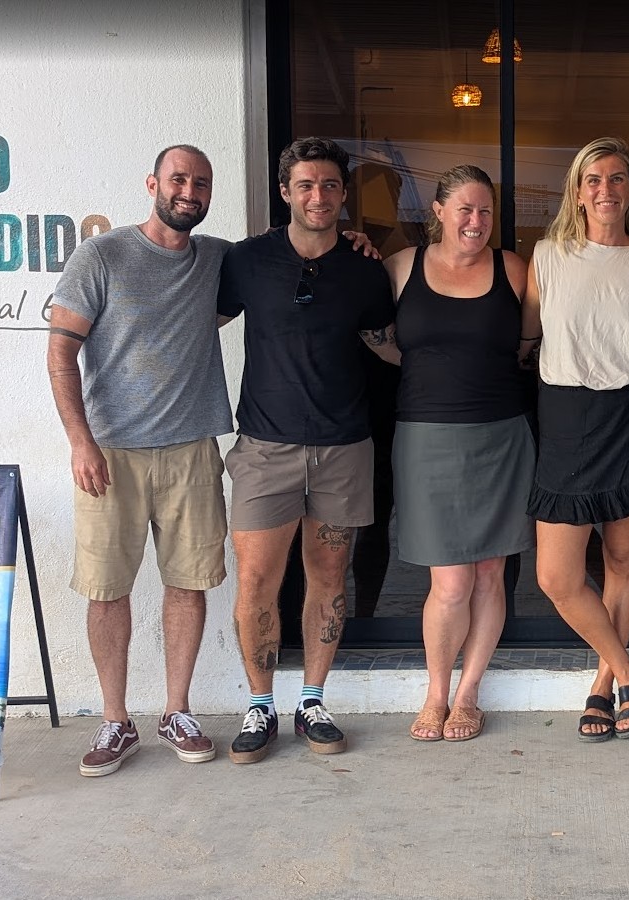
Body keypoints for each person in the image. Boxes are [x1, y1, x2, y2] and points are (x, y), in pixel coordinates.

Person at [48, 144, 230, 776]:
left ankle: (177, 710)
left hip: (191, 449)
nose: (189, 191)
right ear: (153, 182)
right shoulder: (102, 255)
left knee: (188, 583)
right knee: (107, 591)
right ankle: (114, 721)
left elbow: (282, 259)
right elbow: (60, 353)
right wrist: (79, 440)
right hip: (110, 454)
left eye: (201, 183)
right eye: (179, 179)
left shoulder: (216, 259)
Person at [218, 137, 399, 763]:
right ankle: (260, 706)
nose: (317, 196)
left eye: (328, 186)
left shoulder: (364, 267)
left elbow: (387, 340)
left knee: (328, 577)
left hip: (344, 448)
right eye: (305, 185)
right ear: (284, 191)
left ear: (343, 194)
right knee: (257, 580)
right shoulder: (245, 261)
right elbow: (193, 318)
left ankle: (314, 700)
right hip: (265, 447)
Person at [527, 137, 629, 741]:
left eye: (617, 178)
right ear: (577, 191)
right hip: (564, 415)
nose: (606, 190)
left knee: (622, 561)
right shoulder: (547, 257)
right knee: (557, 576)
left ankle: (603, 685)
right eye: (593, 180)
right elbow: (526, 335)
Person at [385, 165, 535, 743]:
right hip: (424, 437)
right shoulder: (400, 268)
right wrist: (432, 372)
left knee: (492, 571)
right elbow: (379, 337)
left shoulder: (515, 270)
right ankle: (436, 693)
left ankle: (468, 695)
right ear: (440, 212)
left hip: (501, 436)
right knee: (449, 581)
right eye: (465, 210)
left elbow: (528, 342)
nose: (476, 222)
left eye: (486, 212)